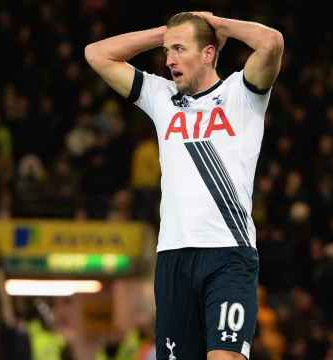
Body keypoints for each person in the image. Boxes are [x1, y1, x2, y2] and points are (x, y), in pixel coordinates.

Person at [85, 11, 284, 360]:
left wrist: (218, 24)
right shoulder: (161, 97)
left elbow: (272, 42)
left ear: (208, 53)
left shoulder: (243, 92)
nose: (169, 60)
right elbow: (96, 54)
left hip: (228, 254)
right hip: (173, 257)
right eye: (166, 52)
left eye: (179, 49)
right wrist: (164, 33)